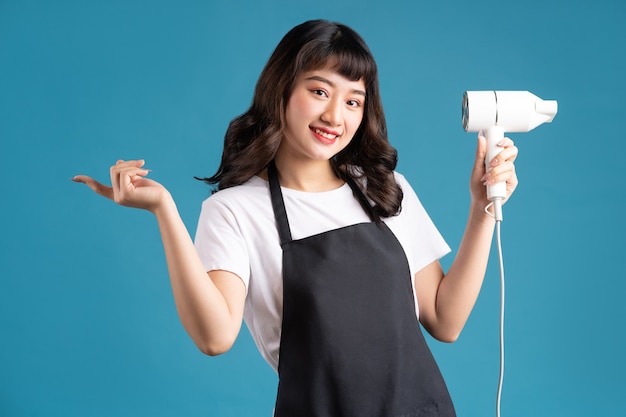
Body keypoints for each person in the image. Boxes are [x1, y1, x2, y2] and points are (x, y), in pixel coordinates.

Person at [73, 19, 518, 417]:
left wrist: (481, 208)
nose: (334, 116)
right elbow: (214, 337)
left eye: (353, 101)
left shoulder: (385, 188)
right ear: (282, 88)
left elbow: (445, 319)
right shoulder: (235, 210)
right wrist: (164, 211)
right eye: (320, 91)